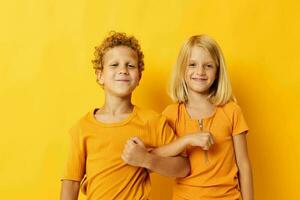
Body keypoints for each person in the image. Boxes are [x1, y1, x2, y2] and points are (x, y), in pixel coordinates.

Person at [60, 31, 190, 200]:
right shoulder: (82, 128)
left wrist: (146, 159)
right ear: (100, 76)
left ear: (139, 77)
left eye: (130, 66)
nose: (123, 70)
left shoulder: (152, 121)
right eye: (114, 65)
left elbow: (183, 167)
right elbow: (71, 182)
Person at [125, 35, 254, 200]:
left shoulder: (231, 111)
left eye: (208, 66)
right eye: (192, 65)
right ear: (182, 70)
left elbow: (244, 165)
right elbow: (155, 155)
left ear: (218, 71)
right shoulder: (171, 114)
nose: (200, 72)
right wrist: (186, 140)